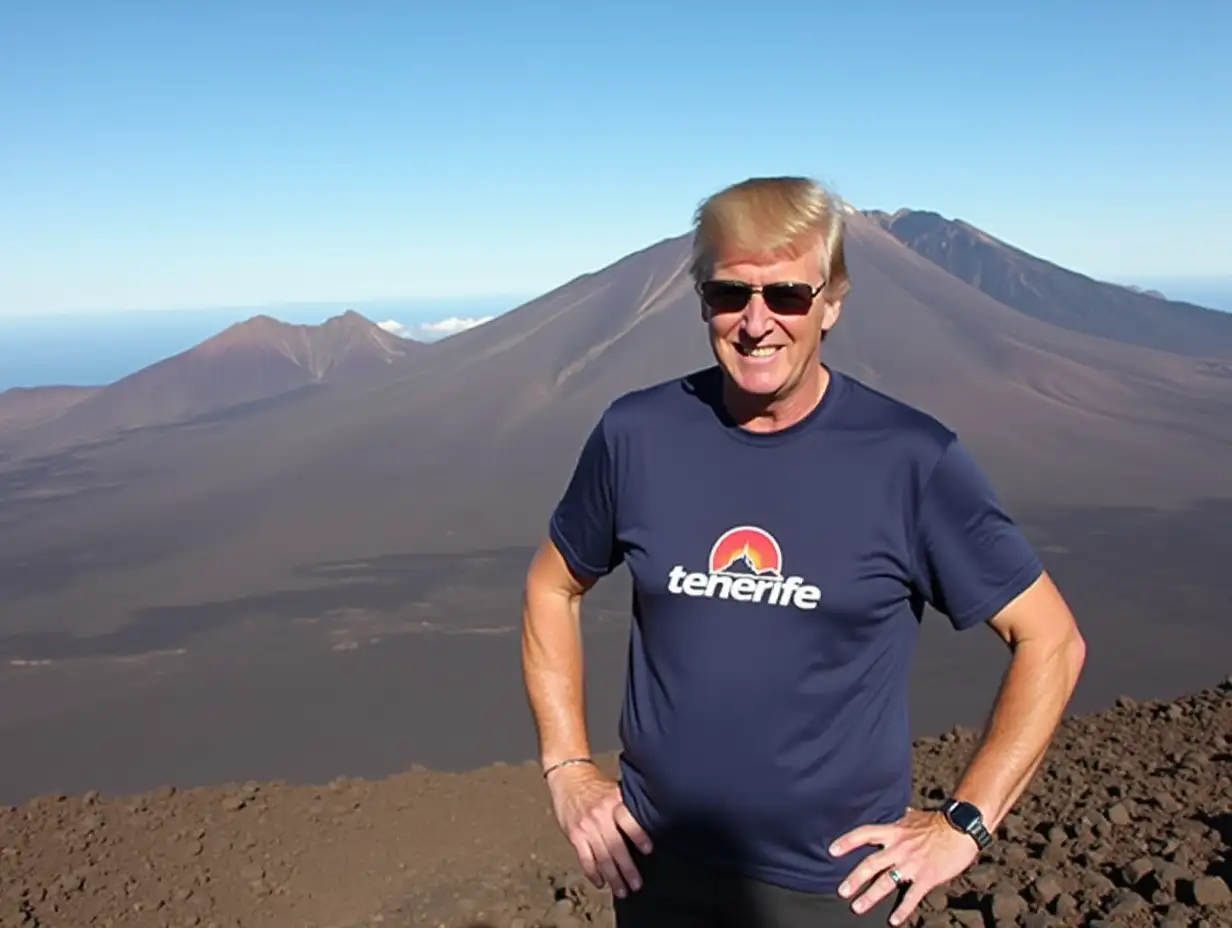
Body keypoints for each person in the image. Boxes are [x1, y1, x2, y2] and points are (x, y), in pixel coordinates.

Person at [520, 176, 1086, 927]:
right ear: (701, 300)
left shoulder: (910, 461)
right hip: (655, 870)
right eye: (730, 294)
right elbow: (549, 588)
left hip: (833, 892)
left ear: (832, 303)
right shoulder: (638, 436)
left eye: (787, 294)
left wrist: (964, 823)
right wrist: (567, 769)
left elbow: (1051, 640)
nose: (756, 322)